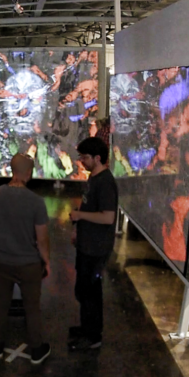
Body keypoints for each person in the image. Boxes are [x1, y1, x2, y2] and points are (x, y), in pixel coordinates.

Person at [0, 154, 52, 364]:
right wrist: (46, 261)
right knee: (32, 307)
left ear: (11, 169)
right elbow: (42, 239)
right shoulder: (36, 202)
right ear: (29, 173)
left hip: (1, 260)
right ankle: (36, 350)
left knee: (1, 303)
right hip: (29, 264)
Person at [68, 137, 119, 351]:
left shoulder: (105, 183)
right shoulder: (94, 178)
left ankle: (92, 335)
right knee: (83, 289)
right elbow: (88, 206)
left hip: (96, 248)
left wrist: (80, 216)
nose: (82, 161)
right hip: (87, 244)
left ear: (97, 158)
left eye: (85, 157)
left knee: (90, 292)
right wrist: (77, 228)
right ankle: (86, 327)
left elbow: (108, 217)